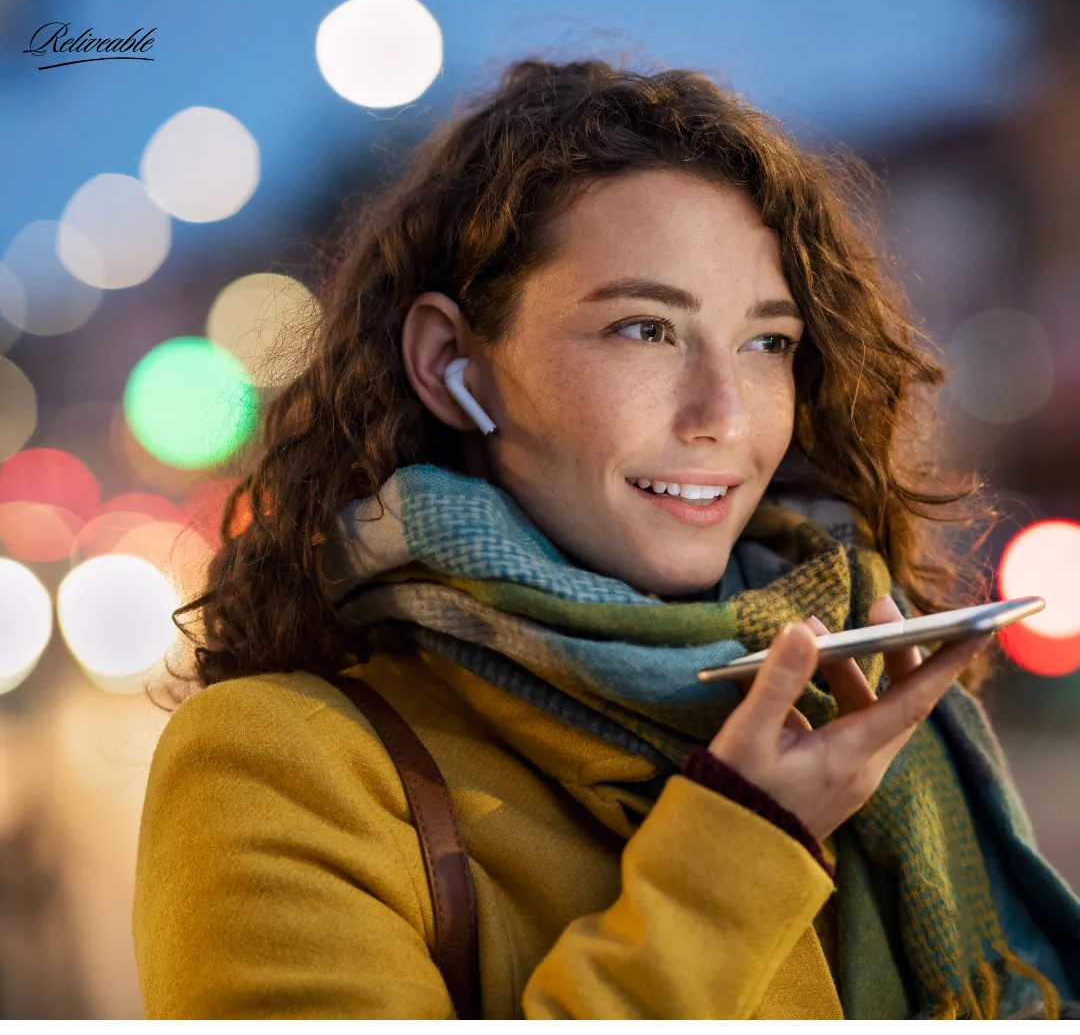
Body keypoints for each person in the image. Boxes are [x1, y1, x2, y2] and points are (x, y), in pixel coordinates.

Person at [132, 58, 1080, 1020]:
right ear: (449, 363)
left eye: (767, 343)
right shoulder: (281, 765)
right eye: (643, 330)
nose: (721, 416)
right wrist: (742, 849)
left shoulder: (840, 701)